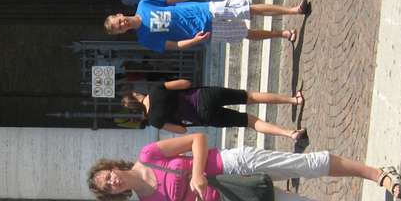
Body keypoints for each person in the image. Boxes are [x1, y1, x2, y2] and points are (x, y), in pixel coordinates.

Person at [87, 133, 401, 201]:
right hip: (233, 199)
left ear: (112, 167)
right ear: (114, 195)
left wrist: (196, 173)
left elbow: (198, 139)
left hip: (233, 165)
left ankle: (377, 174)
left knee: (304, 165)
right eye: (108, 188)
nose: (113, 182)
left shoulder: (148, 155)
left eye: (108, 177)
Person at [104, 0, 310, 53]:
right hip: (204, 32)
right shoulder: (144, 39)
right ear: (121, 32)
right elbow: (173, 45)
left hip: (205, 9)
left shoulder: (144, 4)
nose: (121, 24)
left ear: (120, 15)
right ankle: (282, 34)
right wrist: (194, 41)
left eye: (118, 21)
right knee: (245, 33)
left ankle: (293, 10)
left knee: (249, 9)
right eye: (118, 28)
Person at [121, 79, 306, 138]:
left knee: (249, 121)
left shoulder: (153, 121)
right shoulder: (155, 90)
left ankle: (290, 134)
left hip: (203, 116)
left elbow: (182, 130)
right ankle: (293, 100)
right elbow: (186, 83)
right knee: (249, 97)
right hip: (204, 95)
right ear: (136, 95)